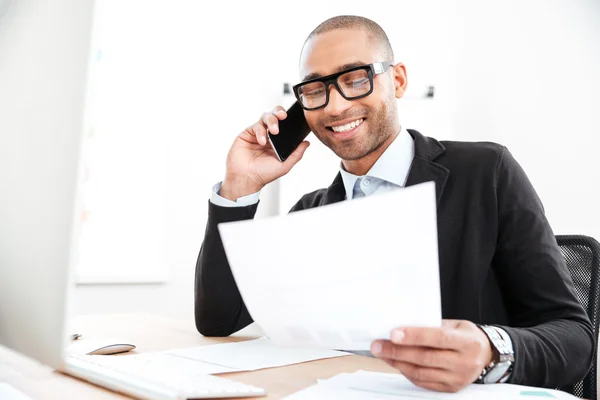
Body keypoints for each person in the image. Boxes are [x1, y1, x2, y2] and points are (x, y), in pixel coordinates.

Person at [194, 15, 594, 393]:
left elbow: (574, 336)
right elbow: (219, 319)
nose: (334, 106)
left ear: (397, 80)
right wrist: (238, 189)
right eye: (315, 90)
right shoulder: (311, 212)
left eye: (355, 78)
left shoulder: (486, 172)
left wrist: (491, 349)